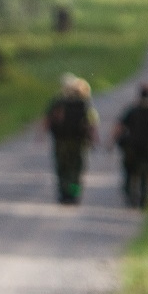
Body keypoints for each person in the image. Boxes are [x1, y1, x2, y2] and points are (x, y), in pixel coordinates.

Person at [44, 74, 98, 205]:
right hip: (79, 141)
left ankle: (63, 194)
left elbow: (48, 119)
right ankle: (74, 195)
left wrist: (42, 134)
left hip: (61, 140)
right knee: (76, 170)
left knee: (62, 168)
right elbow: (91, 123)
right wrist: (93, 138)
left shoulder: (58, 101)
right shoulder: (84, 103)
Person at [114, 84, 148, 208]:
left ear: (140, 94)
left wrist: (112, 142)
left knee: (129, 170)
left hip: (131, 146)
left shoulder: (133, 109)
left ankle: (130, 194)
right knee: (147, 172)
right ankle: (144, 198)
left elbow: (120, 126)